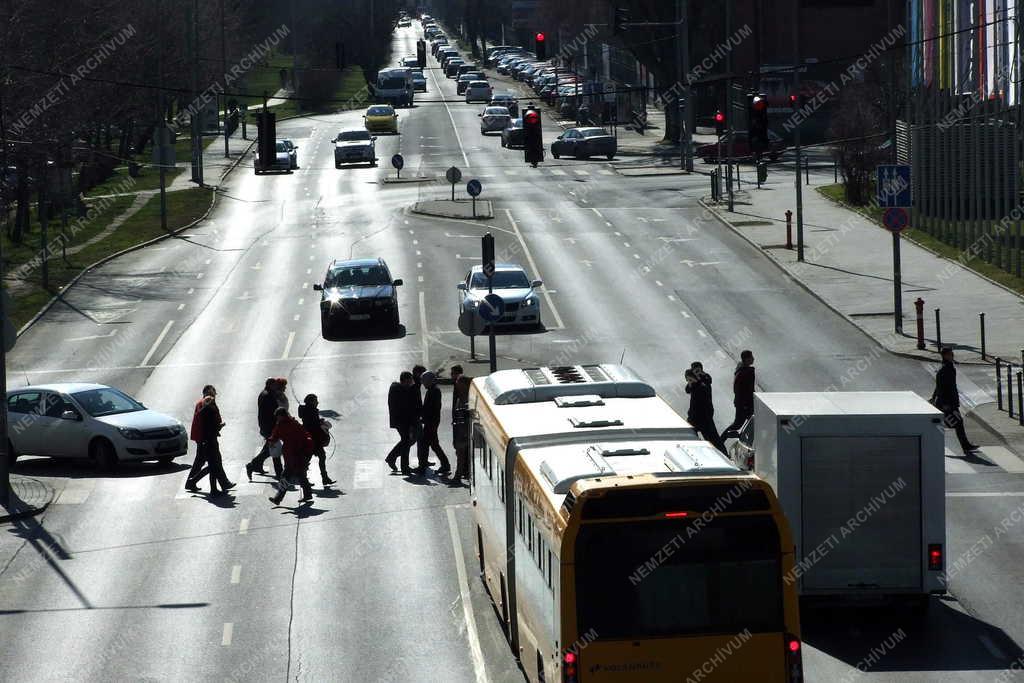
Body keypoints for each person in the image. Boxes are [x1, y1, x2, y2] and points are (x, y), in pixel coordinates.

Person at [931, 347, 979, 454]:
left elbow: (940, 386)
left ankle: (966, 446)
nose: (953, 355)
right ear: (945, 356)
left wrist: (935, 398)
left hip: (950, 402)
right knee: (953, 424)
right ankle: (965, 446)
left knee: (955, 424)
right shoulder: (945, 369)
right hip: (947, 404)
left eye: (952, 354)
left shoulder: (948, 367)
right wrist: (943, 403)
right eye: (951, 354)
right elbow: (941, 387)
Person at [267, 407, 315, 505]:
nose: (277, 419)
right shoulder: (292, 423)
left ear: (281, 416)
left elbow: (275, 436)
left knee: (290, 476)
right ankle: (306, 494)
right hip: (296, 454)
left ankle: (278, 498)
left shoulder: (284, 425)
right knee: (298, 475)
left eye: (278, 417)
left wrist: (271, 440)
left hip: (294, 454)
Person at [193, 392, 235, 495]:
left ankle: (215, 487)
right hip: (210, 442)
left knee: (213, 466)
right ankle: (213, 489)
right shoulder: (210, 412)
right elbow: (212, 427)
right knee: (213, 466)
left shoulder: (203, 412)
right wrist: (219, 426)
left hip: (206, 441)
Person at [247, 378, 287, 480]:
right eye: (274, 385)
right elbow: (273, 412)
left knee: (269, 449)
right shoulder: (268, 396)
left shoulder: (265, 393)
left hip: (266, 425)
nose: (276, 387)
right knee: (275, 448)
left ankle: (255, 464)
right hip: (270, 426)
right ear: (270, 385)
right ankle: (279, 472)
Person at [685, 363, 727, 454]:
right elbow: (687, 390)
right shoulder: (694, 383)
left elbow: (707, 384)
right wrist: (691, 381)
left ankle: (724, 455)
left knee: (714, 439)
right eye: (694, 370)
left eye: (698, 369)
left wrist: (700, 377)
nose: (697, 372)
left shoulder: (705, 380)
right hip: (694, 416)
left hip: (705, 416)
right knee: (688, 436)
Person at [416, 372, 451, 476]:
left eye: (424, 382)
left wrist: (423, 417)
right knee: (430, 444)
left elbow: (430, 408)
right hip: (431, 422)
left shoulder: (434, 391)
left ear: (429, 381)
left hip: (431, 422)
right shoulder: (432, 390)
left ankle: (443, 465)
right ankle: (439, 465)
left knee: (431, 444)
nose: (423, 384)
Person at [298, 393, 335, 486]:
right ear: (311, 402)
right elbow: (313, 425)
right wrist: (321, 423)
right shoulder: (312, 411)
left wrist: (319, 421)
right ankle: (306, 480)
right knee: (316, 458)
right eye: (316, 400)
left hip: (310, 438)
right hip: (313, 439)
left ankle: (324, 478)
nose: (317, 402)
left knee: (313, 458)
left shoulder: (307, 410)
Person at [185, 385, 215, 492]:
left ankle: (190, 482)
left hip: (201, 436)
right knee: (210, 461)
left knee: (201, 460)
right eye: (213, 392)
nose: (214, 394)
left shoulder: (202, 402)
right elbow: (204, 421)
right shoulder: (205, 403)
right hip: (203, 437)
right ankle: (191, 481)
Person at [385, 372, 416, 474]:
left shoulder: (396, 388)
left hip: (398, 420)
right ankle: (403, 466)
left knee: (405, 441)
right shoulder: (400, 390)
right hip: (402, 421)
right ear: (406, 380)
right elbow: (405, 408)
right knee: (406, 441)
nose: (412, 382)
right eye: (410, 380)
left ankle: (393, 458)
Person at [723, 350, 756, 439]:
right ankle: (722, 439)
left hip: (747, 403)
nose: (753, 359)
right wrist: (745, 404)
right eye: (751, 357)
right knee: (738, 424)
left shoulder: (745, 370)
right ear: (746, 359)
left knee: (753, 422)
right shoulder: (744, 372)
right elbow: (740, 390)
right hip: (744, 404)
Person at [452, 374, 472, 481]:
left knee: (463, 454)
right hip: (461, 430)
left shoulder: (471, 397)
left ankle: (459, 475)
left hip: (467, 431)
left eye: (460, 385)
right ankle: (460, 474)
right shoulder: (460, 398)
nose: (458, 388)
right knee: (460, 454)